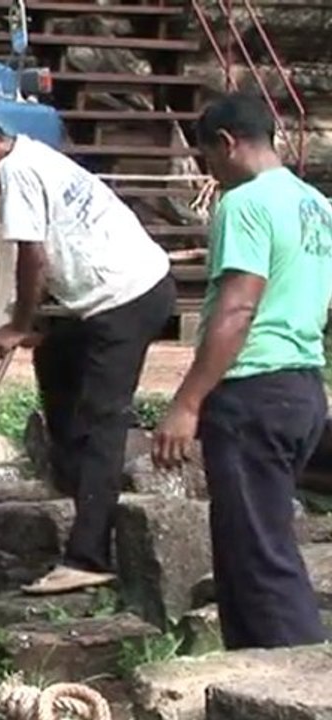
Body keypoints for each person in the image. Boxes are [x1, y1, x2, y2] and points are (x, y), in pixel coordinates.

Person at [0, 101, 176, 595]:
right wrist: (40, 329)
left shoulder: (16, 170)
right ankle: (77, 490)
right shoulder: (33, 156)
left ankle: (88, 556)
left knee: (104, 420)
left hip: (128, 298)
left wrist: (18, 325)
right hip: (107, 300)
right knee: (56, 363)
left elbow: (33, 256)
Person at [152, 92, 332, 650]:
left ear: (226, 144)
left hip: (254, 391)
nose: (212, 175)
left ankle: (295, 689)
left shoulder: (246, 203)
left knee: (258, 561)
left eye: (208, 160)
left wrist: (187, 402)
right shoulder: (316, 205)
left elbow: (238, 308)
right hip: (303, 385)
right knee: (255, 550)